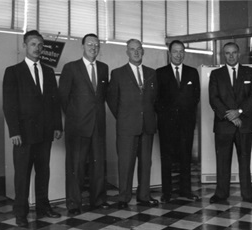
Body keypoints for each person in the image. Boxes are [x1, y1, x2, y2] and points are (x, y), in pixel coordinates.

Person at [3, 30, 63, 227]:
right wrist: (14, 132)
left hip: (45, 133)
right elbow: (9, 104)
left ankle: (43, 207)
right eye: (33, 44)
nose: (37, 48)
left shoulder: (47, 71)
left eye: (40, 45)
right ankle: (20, 213)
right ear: (25, 46)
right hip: (23, 135)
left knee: (43, 172)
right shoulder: (13, 71)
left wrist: (57, 126)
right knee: (22, 175)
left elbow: (55, 102)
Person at [59, 33, 109, 215]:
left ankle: (98, 200)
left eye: (96, 45)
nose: (93, 47)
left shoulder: (104, 68)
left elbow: (102, 96)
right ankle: (74, 204)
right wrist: (75, 117)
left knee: (98, 165)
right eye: (90, 44)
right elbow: (63, 98)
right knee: (76, 167)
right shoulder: (71, 68)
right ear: (82, 46)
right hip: (78, 126)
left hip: (98, 125)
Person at [107, 39, 159, 209]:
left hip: (147, 125)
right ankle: (124, 197)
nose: (136, 52)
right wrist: (124, 117)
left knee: (145, 163)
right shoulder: (117, 73)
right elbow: (112, 100)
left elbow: (155, 100)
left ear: (143, 51)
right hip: (127, 126)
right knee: (126, 163)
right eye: (132, 49)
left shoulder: (152, 73)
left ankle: (144, 196)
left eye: (139, 49)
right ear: (127, 52)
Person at [208, 42, 252, 204]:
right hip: (224, 125)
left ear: (239, 54)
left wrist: (239, 112)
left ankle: (247, 194)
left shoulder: (249, 72)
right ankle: (221, 194)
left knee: (245, 160)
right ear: (224, 55)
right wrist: (231, 116)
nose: (231, 56)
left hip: (244, 125)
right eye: (227, 53)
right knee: (222, 161)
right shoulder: (216, 74)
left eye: (234, 53)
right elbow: (213, 99)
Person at [155, 40, 200, 203]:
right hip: (167, 124)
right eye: (175, 51)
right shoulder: (160, 73)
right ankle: (167, 193)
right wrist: (167, 116)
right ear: (169, 53)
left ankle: (186, 190)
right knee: (166, 158)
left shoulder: (192, 72)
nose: (178, 54)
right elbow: (157, 99)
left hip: (186, 124)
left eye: (181, 51)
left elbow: (195, 97)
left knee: (185, 157)